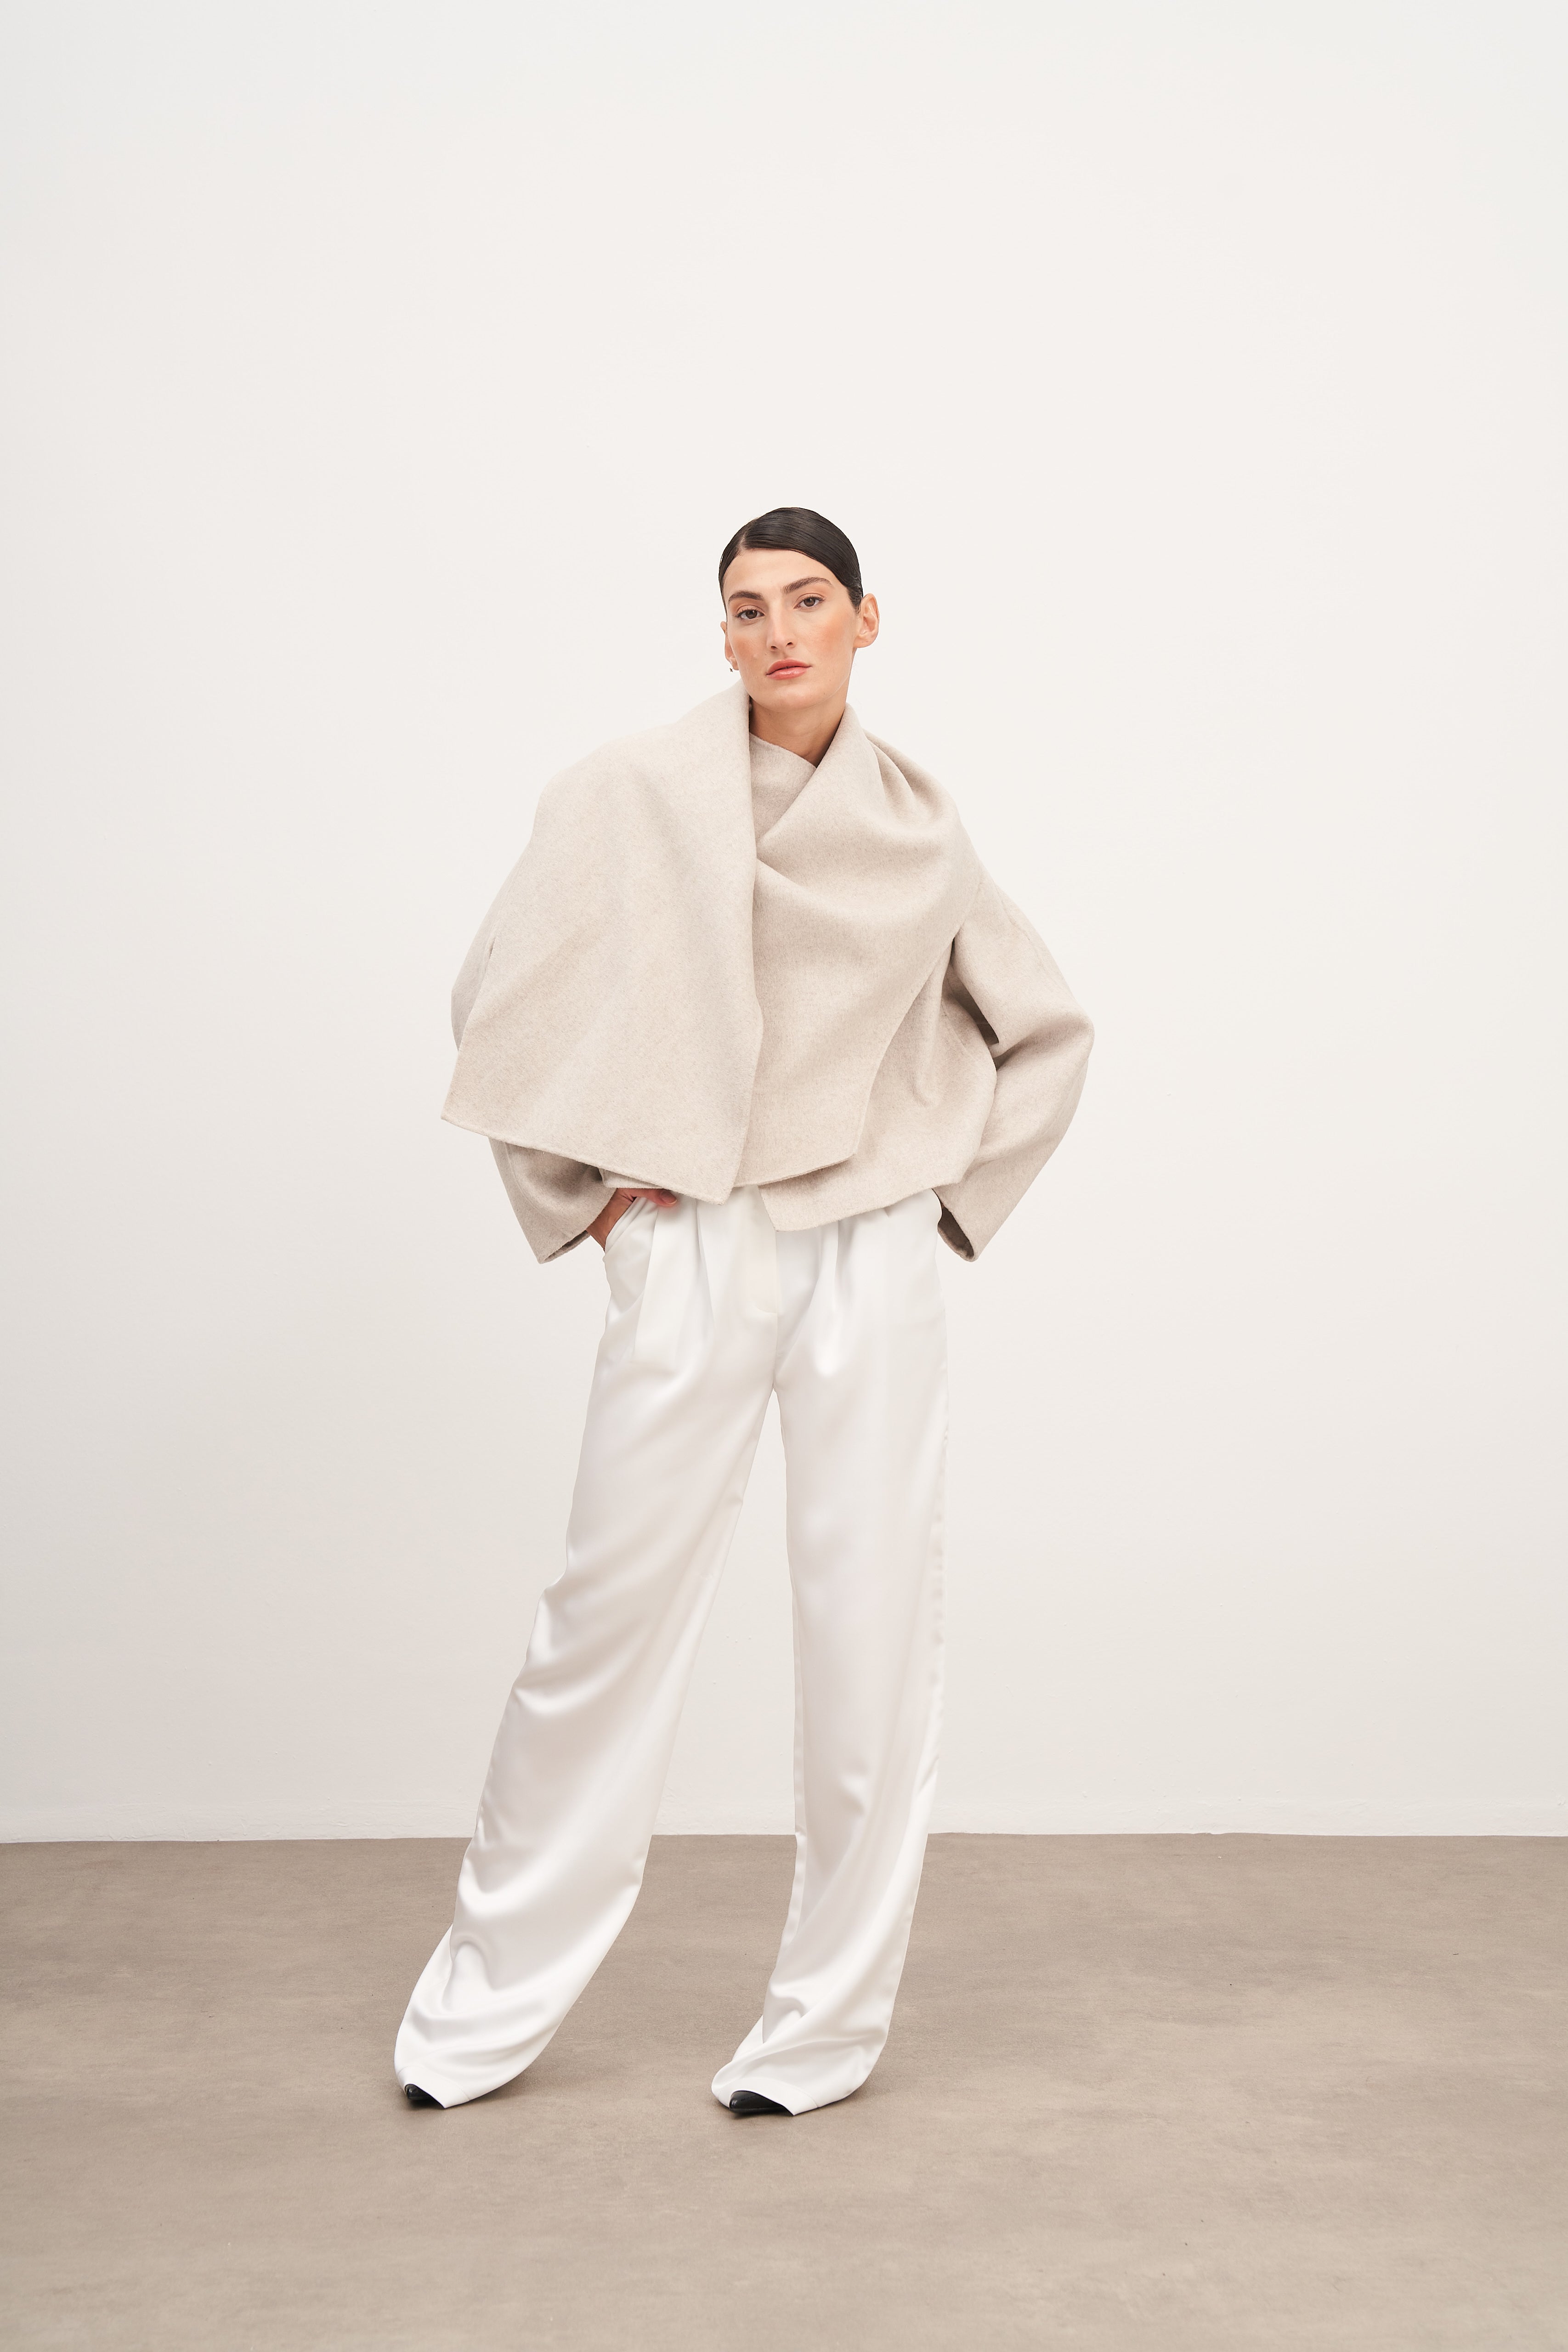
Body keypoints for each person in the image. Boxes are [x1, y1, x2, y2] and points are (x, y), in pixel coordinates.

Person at [395, 507, 1093, 2118]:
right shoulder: (628, 792)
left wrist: (943, 1196)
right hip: (696, 1236)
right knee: (604, 1615)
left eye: (808, 601)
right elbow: (496, 990)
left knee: (872, 1636)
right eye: (747, 608)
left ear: (866, 619)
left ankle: (821, 2032)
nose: (778, 631)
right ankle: (480, 2009)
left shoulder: (920, 822)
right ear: (719, 634)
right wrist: (584, 1192)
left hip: (869, 1247)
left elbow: (1049, 1028)